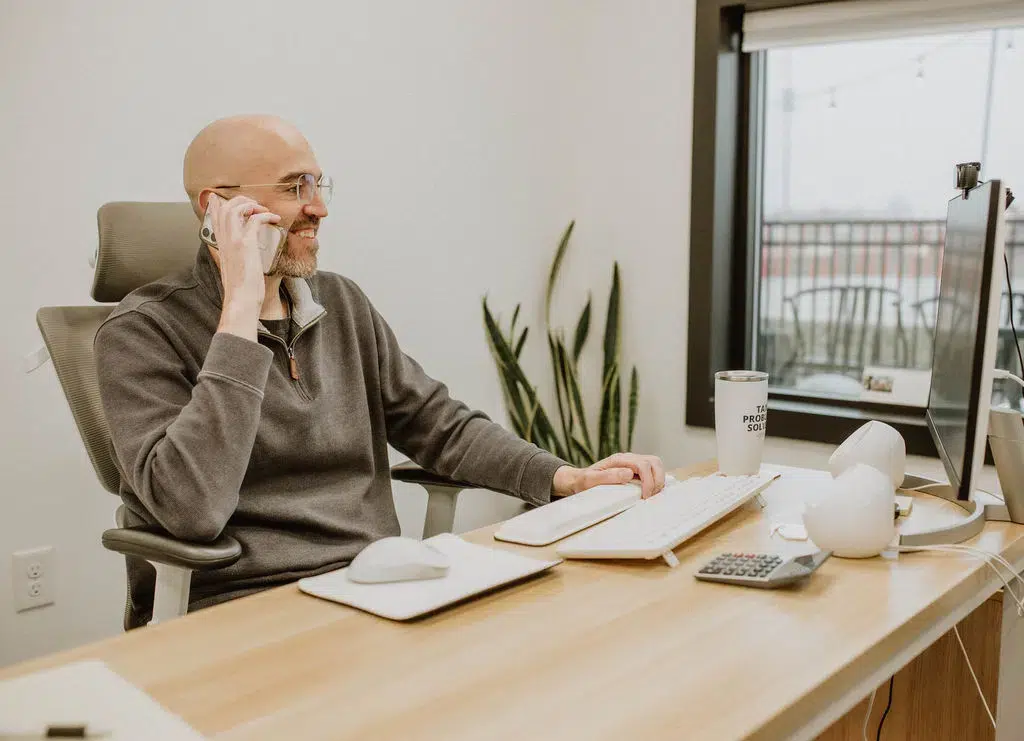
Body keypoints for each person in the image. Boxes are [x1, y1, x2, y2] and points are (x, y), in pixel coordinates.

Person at [95, 114, 665, 627]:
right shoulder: (139, 332)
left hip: (377, 585)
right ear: (216, 207)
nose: (319, 206)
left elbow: (439, 424)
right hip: (243, 604)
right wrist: (240, 310)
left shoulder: (341, 303)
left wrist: (565, 477)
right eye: (296, 188)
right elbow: (189, 508)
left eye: (319, 185)